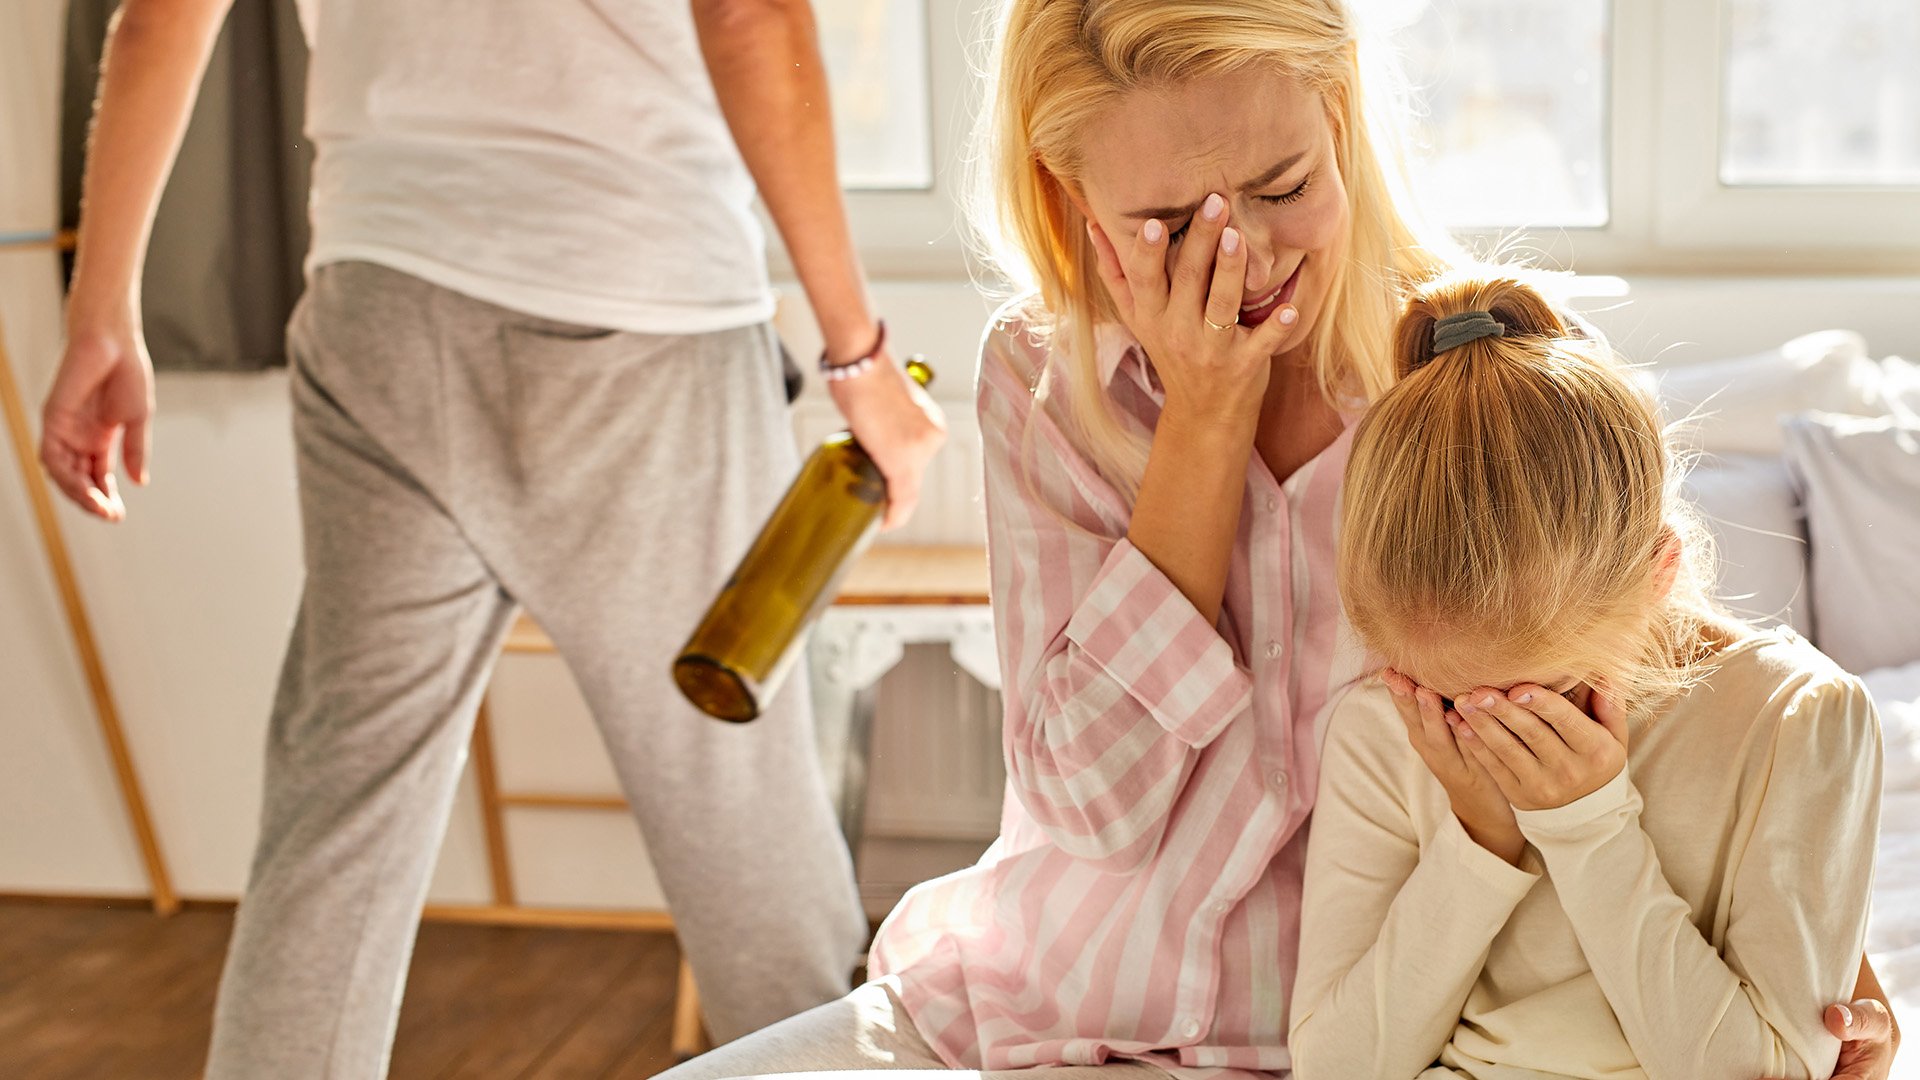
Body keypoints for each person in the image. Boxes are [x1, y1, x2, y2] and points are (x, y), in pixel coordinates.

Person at [657, 0, 1898, 1077]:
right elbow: (1086, 808)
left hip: (1382, 1028)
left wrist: (1821, 953)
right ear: (1071, 203)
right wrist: (1204, 414)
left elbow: (1662, 668)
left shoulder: (1481, 364)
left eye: (1282, 187)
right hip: (1065, 1000)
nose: (1236, 255)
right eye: (1160, 220)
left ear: (1342, 119)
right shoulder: (1040, 381)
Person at [40, 0, 945, 1074]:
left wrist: (102, 309)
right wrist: (860, 356)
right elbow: (746, 13)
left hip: (379, 300)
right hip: (639, 312)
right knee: (746, 835)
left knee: (335, 836)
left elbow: (161, 15)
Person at [1289, 268, 1883, 1079]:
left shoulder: (1798, 721)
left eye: (1547, 694)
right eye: (1449, 695)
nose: (1491, 729)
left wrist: (1587, 824)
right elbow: (1337, 1067)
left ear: (1656, 576)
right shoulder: (1385, 723)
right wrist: (1478, 841)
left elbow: (1763, 1071)